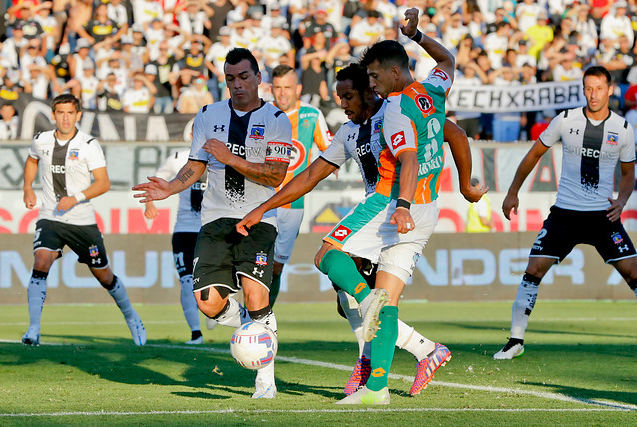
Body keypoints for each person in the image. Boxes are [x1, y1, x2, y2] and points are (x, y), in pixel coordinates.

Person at [237, 63, 484, 397]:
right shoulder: (349, 131)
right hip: (394, 214)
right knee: (358, 299)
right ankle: (408, 363)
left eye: (348, 96)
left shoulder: (397, 112)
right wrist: (265, 207)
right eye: (339, 97)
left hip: (396, 208)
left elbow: (452, 132)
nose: (343, 104)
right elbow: (311, 176)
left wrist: (465, 184)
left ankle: (377, 359)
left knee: (334, 262)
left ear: (370, 90)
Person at [132, 48, 292, 399]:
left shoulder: (278, 119)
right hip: (215, 219)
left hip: (258, 218)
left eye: (244, 77)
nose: (237, 85)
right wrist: (170, 188)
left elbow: (275, 176)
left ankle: (265, 378)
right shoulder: (207, 115)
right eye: (230, 79)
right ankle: (257, 325)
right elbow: (196, 164)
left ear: (258, 78)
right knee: (207, 303)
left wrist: (229, 157)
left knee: (255, 294)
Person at [494, 66, 637, 360]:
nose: (593, 94)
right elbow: (534, 154)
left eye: (599, 88)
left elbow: (628, 174)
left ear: (610, 90)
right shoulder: (566, 120)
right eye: (588, 88)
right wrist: (512, 192)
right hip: (565, 215)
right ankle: (516, 340)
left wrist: (622, 201)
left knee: (634, 273)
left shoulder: (623, 129)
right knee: (533, 269)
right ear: (582, 89)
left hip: (602, 217)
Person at [22, 94, 147, 346]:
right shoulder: (41, 140)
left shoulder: (89, 144)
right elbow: (32, 160)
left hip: (81, 222)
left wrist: (75, 197)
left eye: (70, 113)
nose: (65, 118)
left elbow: (103, 183)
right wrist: (27, 187)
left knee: (104, 276)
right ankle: (33, 329)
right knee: (41, 260)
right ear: (53, 115)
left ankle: (132, 317)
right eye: (60, 113)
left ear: (78, 115)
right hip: (51, 217)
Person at [268, 64, 331, 306]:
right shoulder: (261, 113)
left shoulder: (312, 115)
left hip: (292, 203)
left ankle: (262, 318)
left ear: (299, 89)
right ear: (271, 89)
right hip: (260, 200)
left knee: (275, 268)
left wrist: (332, 165)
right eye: (278, 88)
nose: (282, 93)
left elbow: (329, 147)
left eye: (288, 88)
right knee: (252, 263)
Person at [143, 149, 206, 345]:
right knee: (187, 283)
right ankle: (196, 334)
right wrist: (149, 204)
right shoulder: (179, 158)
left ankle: (216, 314)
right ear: (192, 133)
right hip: (184, 230)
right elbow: (156, 180)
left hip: (211, 229)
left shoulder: (221, 155)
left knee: (213, 282)